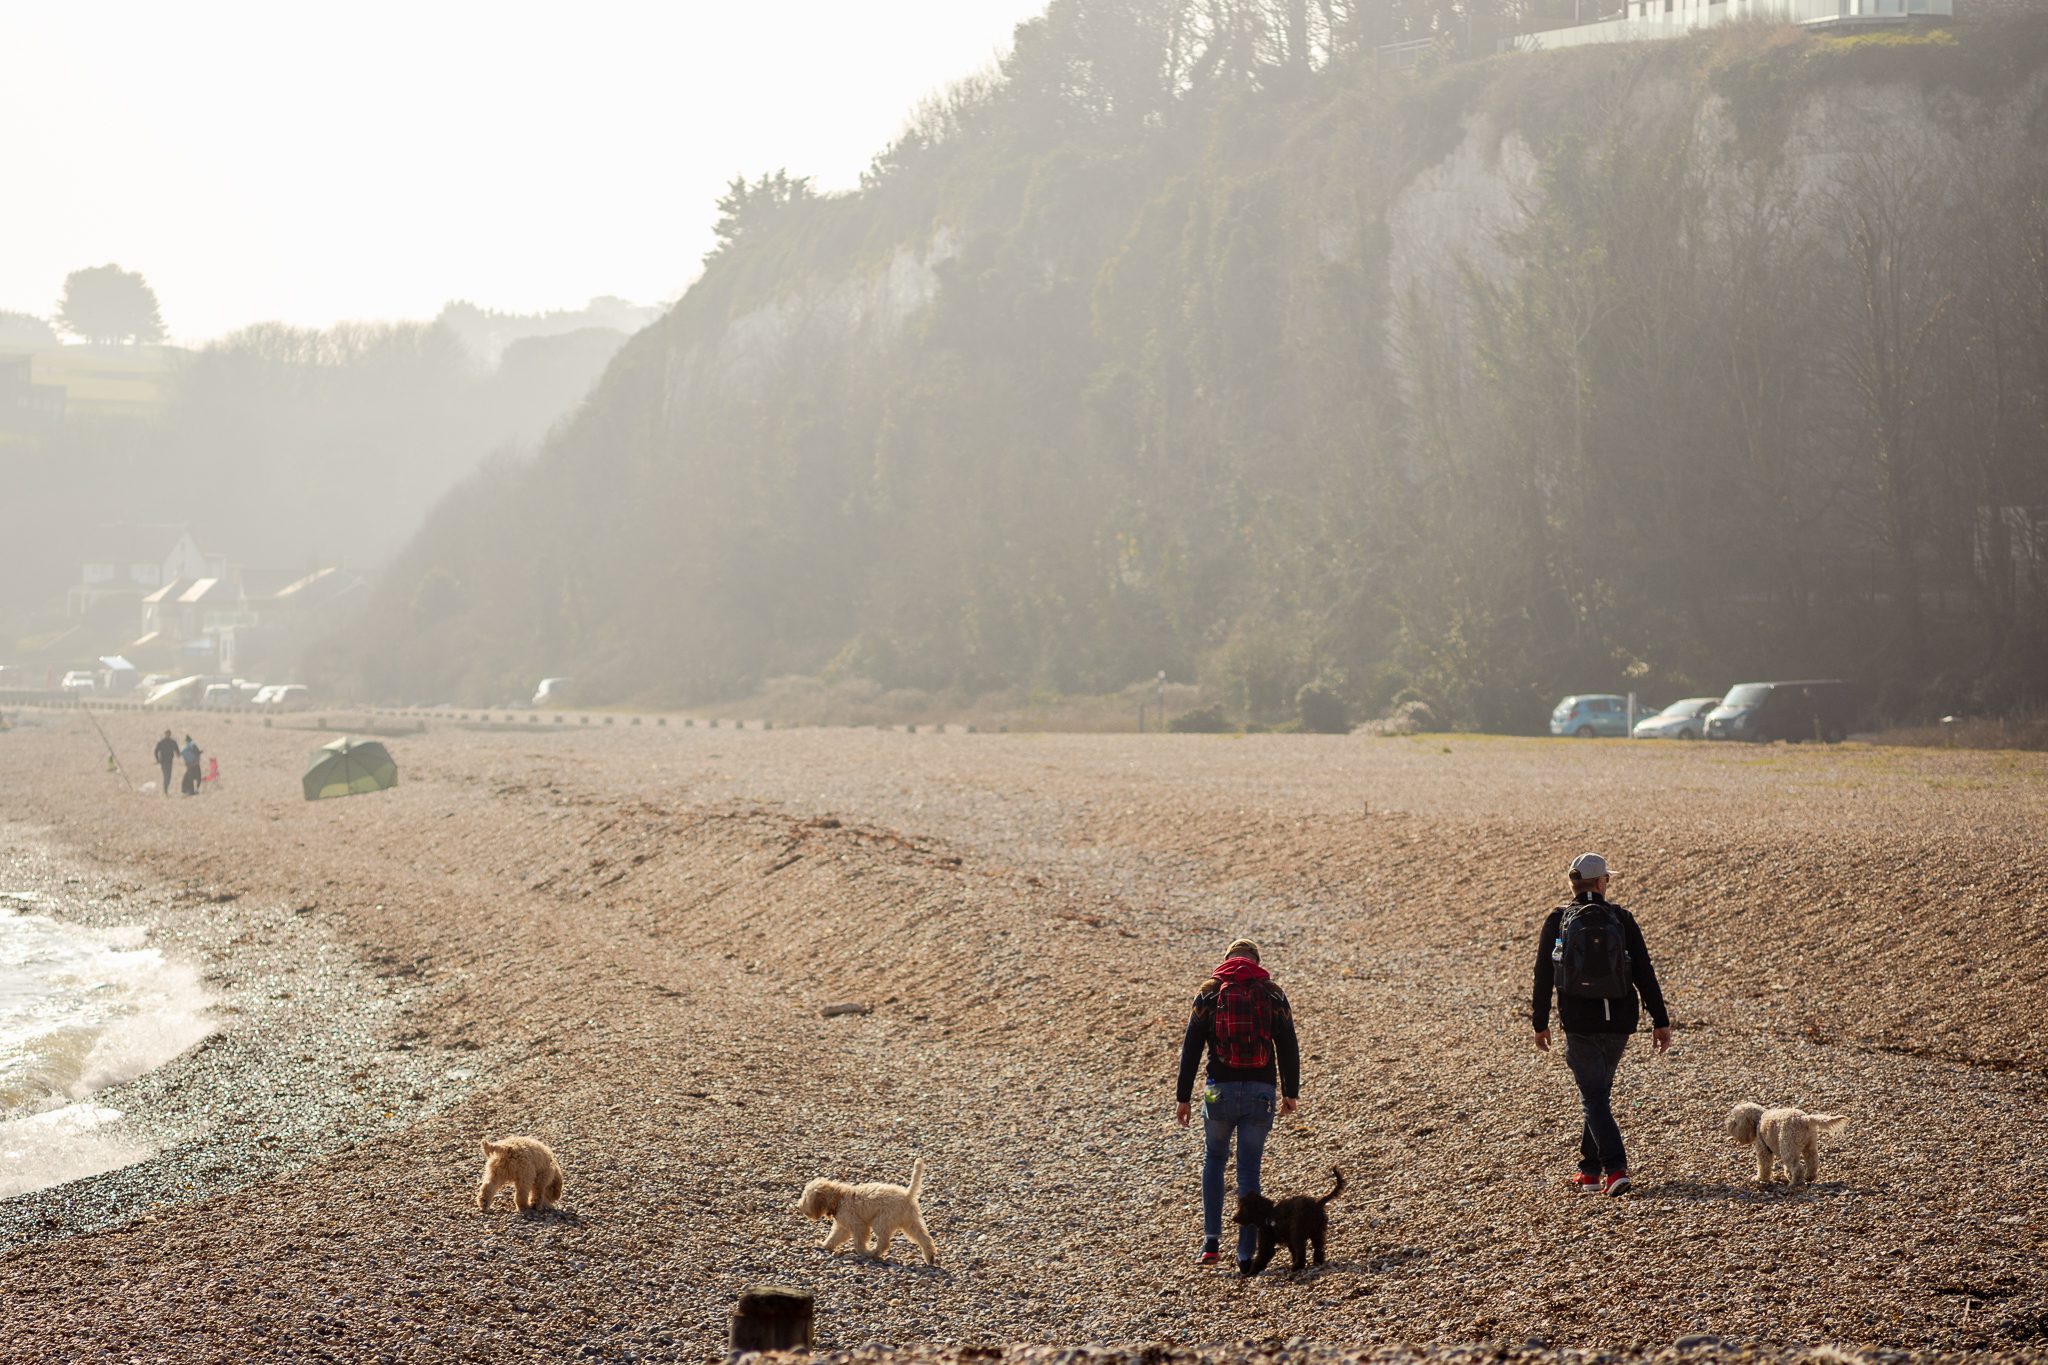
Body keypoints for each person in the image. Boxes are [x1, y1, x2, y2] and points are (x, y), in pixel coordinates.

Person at [1531, 852, 1672, 1197]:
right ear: (1602, 882)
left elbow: (1543, 974)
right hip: (1620, 1021)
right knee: (1597, 1095)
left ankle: (1614, 1168)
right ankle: (1589, 1171)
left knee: (1593, 1096)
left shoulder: (1558, 919)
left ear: (1573, 884)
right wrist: (1660, 1019)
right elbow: (1644, 971)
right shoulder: (1621, 919)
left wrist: (1540, 1022)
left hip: (1579, 1020)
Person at [1174, 938, 1301, 1270]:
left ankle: (1211, 1242)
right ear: (1257, 961)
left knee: (1214, 1159)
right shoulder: (1273, 993)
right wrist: (1290, 1091)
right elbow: (1288, 1044)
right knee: (1248, 1169)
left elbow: (1191, 1047)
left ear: (1226, 959)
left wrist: (1183, 1097)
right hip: (1260, 1091)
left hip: (1219, 1092)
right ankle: (1246, 1255)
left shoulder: (1209, 993)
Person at [153, 730, 178, 798]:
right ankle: (165, 790)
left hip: (169, 762)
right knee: (165, 775)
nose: (167, 735)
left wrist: (178, 755)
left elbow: (177, 750)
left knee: (169, 776)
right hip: (163, 762)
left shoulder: (172, 742)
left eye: (168, 734)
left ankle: (166, 788)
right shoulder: (161, 742)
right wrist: (157, 759)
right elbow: (156, 751)